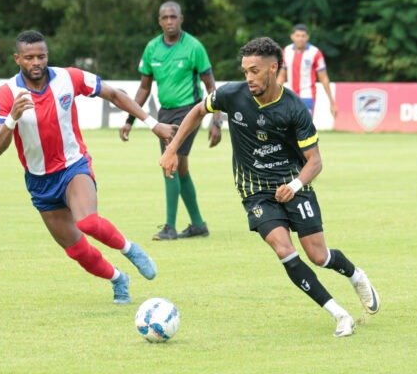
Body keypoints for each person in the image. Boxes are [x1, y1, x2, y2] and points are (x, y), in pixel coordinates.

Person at [160, 37, 380, 337]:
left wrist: (295, 184)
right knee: (284, 249)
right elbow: (199, 110)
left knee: (319, 256)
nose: (248, 78)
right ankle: (339, 314)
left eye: (255, 71)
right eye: (245, 71)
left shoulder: (294, 108)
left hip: (294, 185)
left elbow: (315, 161)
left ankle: (356, 276)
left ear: (273, 68)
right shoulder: (232, 94)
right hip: (255, 191)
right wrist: (172, 149)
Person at [0, 30, 177, 304]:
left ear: (47, 55)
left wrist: (153, 124)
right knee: (76, 250)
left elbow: (114, 94)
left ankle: (130, 250)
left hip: (73, 166)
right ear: (17, 59)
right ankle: (118, 279)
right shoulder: (6, 94)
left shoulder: (68, 77)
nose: (36, 62)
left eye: (41, 56)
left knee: (87, 221)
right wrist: (11, 118)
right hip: (39, 180)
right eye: (29, 58)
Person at [119, 0, 223, 241]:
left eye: (173, 17)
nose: (169, 21)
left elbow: (211, 87)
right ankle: (198, 224)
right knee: (181, 167)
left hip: (190, 111)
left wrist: (216, 121)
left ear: (181, 19)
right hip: (165, 114)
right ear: (159, 21)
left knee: (171, 162)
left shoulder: (194, 47)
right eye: (165, 17)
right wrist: (129, 120)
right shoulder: (151, 48)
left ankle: (170, 227)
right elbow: (144, 88)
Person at [277, 24, 337, 118]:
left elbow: (324, 78)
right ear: (292, 36)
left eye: (303, 36)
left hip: (308, 96)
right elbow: (281, 76)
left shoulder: (315, 52)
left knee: (304, 124)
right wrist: (274, 95)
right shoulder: (286, 51)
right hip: (290, 95)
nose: (300, 38)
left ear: (307, 37)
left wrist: (332, 102)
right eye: (297, 35)